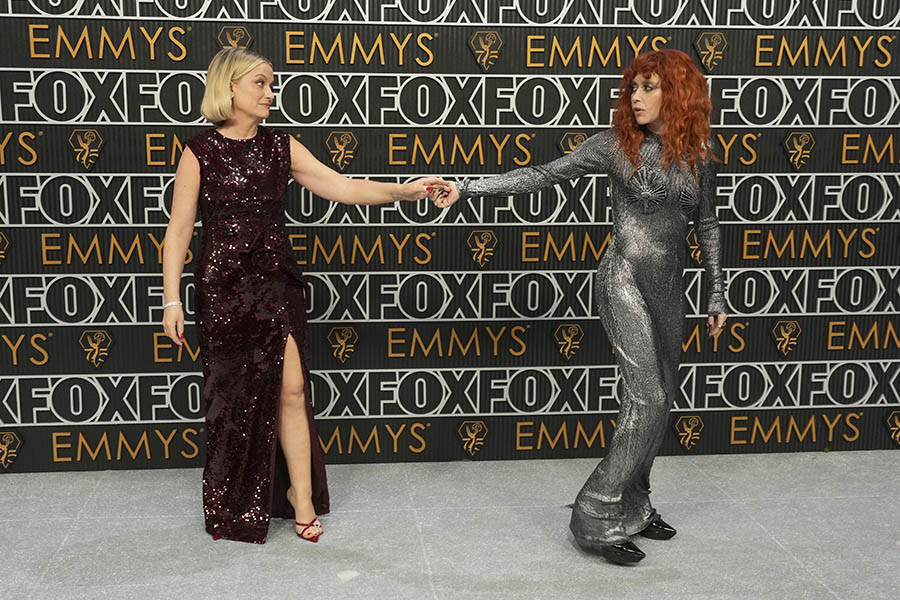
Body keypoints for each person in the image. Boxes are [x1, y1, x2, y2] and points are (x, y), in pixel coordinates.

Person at [432, 49, 728, 565]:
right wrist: (465, 187)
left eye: (648, 87)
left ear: (677, 92)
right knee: (648, 400)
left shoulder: (700, 151)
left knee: (662, 402)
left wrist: (717, 291)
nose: (635, 97)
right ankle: (594, 514)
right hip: (623, 279)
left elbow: (707, 225)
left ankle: (635, 505)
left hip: (670, 288)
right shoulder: (616, 146)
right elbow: (543, 175)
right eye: (632, 87)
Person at [162, 47, 448, 544]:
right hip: (223, 291)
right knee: (232, 402)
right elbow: (180, 229)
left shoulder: (280, 147)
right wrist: (171, 300)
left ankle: (302, 496)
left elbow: (343, 187)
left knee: (292, 390)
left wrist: (405, 191)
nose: (270, 93)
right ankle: (238, 500)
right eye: (261, 84)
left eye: (272, 84)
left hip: (275, 285)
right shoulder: (198, 152)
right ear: (229, 88)